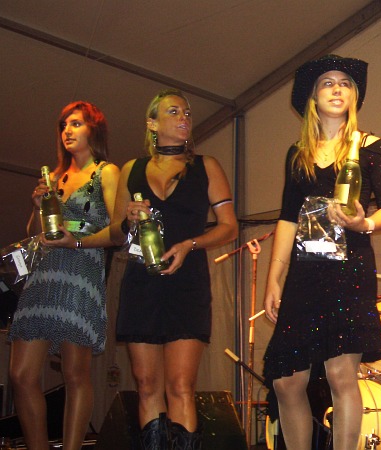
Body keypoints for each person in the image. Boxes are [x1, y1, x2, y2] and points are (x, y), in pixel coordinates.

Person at [262, 54, 381, 450]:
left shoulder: (371, 147)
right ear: (312, 97)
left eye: (345, 83)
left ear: (354, 96)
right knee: (286, 379)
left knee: (341, 376)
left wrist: (363, 223)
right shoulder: (297, 154)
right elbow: (287, 218)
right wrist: (274, 278)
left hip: (349, 270)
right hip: (304, 274)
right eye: (328, 82)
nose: (337, 89)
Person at [110, 88, 238, 449]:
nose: (184, 118)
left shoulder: (207, 166)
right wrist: (128, 221)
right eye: (173, 112)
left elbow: (229, 227)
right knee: (146, 385)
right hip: (141, 283)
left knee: (181, 385)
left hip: (188, 283)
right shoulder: (130, 170)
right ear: (152, 123)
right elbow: (116, 234)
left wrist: (190, 244)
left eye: (187, 113)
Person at [8, 101, 120, 450]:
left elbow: (118, 232)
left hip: (80, 275)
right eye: (64, 125)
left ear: (93, 129)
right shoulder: (54, 178)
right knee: (20, 374)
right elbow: (35, 234)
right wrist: (36, 207)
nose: (67, 130)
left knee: (75, 373)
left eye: (76, 123)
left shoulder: (106, 172)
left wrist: (78, 241)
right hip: (43, 277)